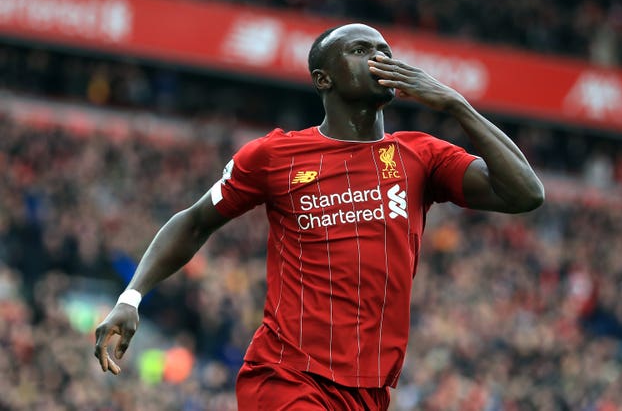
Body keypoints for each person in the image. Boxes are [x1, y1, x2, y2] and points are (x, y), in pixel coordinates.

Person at [94, 23, 544, 410]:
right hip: (288, 376)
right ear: (323, 78)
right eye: (361, 50)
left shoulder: (420, 157)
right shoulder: (275, 156)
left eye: (384, 50)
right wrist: (131, 297)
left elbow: (525, 194)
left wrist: (455, 104)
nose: (379, 57)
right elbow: (194, 222)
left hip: (370, 391)